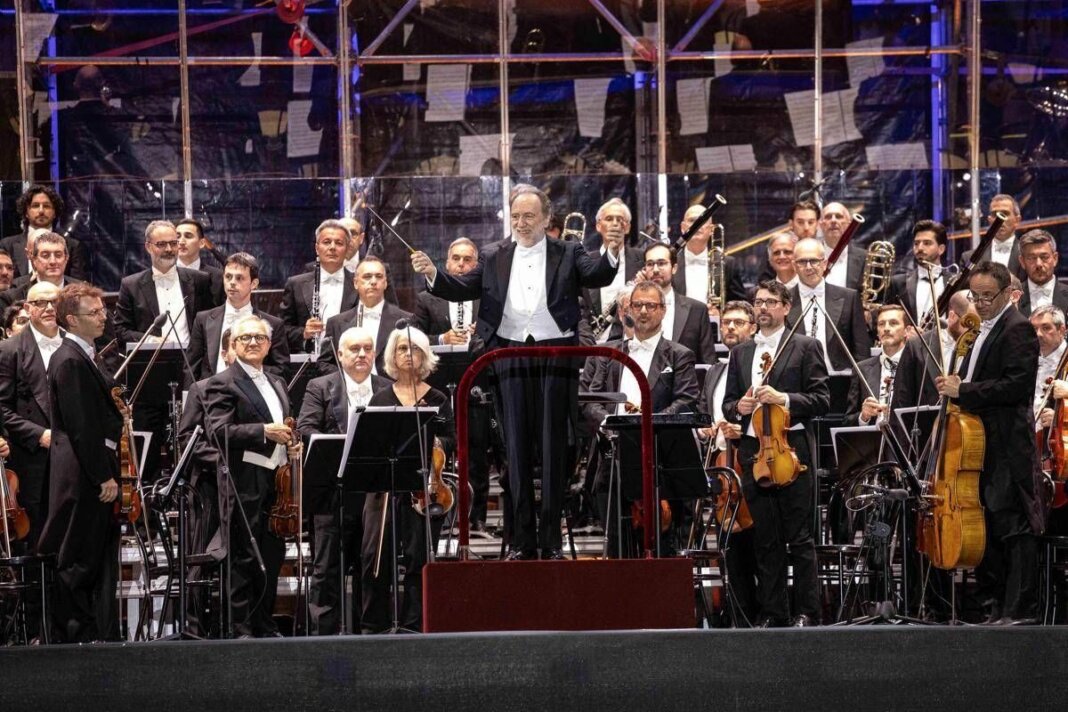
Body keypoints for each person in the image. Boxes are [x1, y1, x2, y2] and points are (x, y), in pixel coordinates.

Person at [410, 183, 622, 561]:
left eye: (529, 216)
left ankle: (551, 543)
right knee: (515, 450)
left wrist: (613, 248)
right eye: (516, 216)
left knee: (554, 449)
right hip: (508, 354)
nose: (521, 223)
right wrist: (433, 274)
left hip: (555, 356)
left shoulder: (569, 250)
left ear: (545, 218)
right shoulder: (493, 253)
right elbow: (462, 287)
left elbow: (598, 275)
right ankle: (522, 541)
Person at [935, 261, 1042, 624]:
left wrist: (963, 390)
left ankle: (1020, 609)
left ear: (1007, 293)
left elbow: (1016, 386)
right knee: (989, 526)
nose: (979, 303)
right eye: (975, 296)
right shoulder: (979, 329)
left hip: (1007, 445)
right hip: (980, 443)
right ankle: (995, 607)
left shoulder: (1018, 328)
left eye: (987, 296)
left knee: (1013, 525)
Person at [722, 280, 830, 627]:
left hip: (792, 451)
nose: (763, 308)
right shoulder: (741, 352)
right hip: (754, 453)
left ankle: (807, 612)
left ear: (786, 307)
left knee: (799, 539)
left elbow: (822, 400)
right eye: (758, 302)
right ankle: (773, 612)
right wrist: (738, 407)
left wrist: (783, 398)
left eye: (770, 302)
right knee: (765, 540)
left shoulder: (806, 346)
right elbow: (728, 403)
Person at [582, 280, 700, 557]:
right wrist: (609, 423)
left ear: (663, 310)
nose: (644, 311)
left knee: (662, 544)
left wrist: (648, 424)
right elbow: (591, 399)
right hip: (613, 455)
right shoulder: (609, 353)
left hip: (659, 457)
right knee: (617, 544)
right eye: (638, 305)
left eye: (650, 305)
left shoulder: (680, 355)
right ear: (628, 311)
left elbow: (685, 400)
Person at [205, 314, 300, 638]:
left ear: (270, 345)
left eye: (259, 337)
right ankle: (240, 628)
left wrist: (292, 443)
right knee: (243, 556)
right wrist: (263, 431)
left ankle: (264, 623)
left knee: (272, 555)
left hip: (277, 482)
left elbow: (285, 426)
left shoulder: (277, 381)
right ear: (233, 344)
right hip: (244, 481)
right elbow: (218, 432)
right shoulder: (223, 382)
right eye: (245, 338)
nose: (253, 342)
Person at [37, 283, 122, 643]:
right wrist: (103, 476)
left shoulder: (85, 355)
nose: (103, 317)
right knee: (78, 557)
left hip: (89, 471)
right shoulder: (70, 359)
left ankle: (92, 634)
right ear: (71, 319)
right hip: (84, 475)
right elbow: (81, 425)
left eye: (103, 310)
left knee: (92, 556)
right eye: (95, 312)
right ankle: (73, 639)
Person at [297, 326, 391, 635]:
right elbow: (306, 428)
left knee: (373, 570)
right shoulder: (320, 386)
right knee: (326, 570)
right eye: (354, 349)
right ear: (339, 354)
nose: (362, 354)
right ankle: (324, 638)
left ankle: (372, 635)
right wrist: (346, 445)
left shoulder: (388, 387)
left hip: (374, 495)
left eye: (367, 348)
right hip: (332, 493)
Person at [363, 326, 452, 632]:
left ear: (425, 356)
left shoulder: (438, 398)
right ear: (392, 355)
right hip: (386, 488)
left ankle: (415, 625)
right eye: (402, 348)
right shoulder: (380, 398)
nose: (408, 354)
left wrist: (435, 441)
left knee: (419, 557)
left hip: (425, 486)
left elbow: (451, 438)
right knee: (376, 558)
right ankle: (374, 625)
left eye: (415, 349)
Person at [113, 219, 215, 484]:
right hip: (151, 372)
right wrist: (151, 339)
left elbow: (209, 323)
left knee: (191, 439)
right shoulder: (131, 284)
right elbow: (121, 330)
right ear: (148, 246)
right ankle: (149, 493)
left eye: (173, 243)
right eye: (162, 244)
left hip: (191, 369)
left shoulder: (200, 280)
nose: (170, 249)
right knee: (150, 442)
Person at [411, 237, 494, 531]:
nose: (461, 265)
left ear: (477, 265)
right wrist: (442, 339)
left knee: (477, 453)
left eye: (468, 260)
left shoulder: (488, 298)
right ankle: (442, 514)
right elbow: (415, 337)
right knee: (440, 450)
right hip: (439, 388)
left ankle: (476, 519)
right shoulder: (427, 298)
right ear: (446, 263)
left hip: (478, 387)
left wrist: (479, 335)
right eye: (456, 259)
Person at [698, 299, 760, 623]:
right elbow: (703, 411)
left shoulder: (760, 364)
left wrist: (744, 429)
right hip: (722, 467)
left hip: (753, 462)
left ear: (753, 328)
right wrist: (705, 429)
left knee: (756, 544)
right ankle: (734, 613)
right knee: (729, 546)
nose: (730, 327)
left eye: (738, 322)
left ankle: (761, 614)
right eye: (725, 322)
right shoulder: (715, 370)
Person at [0, 282, 64, 552]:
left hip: (72, 456)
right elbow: (1, 408)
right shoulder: (9, 349)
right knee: (38, 538)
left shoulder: (76, 344)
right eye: (40, 303)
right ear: (28, 307)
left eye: (54, 302)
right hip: (32, 457)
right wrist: (39, 434)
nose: (49, 308)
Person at [186, 252, 289, 383]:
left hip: (253, 393)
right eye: (228, 277)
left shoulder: (273, 324)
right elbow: (191, 367)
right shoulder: (203, 319)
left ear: (254, 283)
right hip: (211, 393)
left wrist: (249, 367)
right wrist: (189, 394)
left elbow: (282, 370)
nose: (232, 283)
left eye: (239, 278)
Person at [788, 237, 871, 373]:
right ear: (794, 266)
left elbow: (861, 349)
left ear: (824, 263)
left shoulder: (849, 297)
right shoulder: (784, 300)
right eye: (802, 262)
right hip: (798, 380)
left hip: (841, 378)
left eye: (814, 261)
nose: (808, 267)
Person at [322, 256, 413, 374]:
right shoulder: (335, 323)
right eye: (367, 276)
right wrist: (348, 379)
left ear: (385, 283)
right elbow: (325, 363)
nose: (373, 281)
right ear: (355, 283)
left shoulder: (406, 321)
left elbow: (415, 361)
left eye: (379, 276)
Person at [279, 219, 359, 354]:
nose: (332, 247)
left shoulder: (359, 284)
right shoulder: (295, 284)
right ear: (317, 248)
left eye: (339, 243)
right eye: (326, 242)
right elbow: (281, 330)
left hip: (350, 358)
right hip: (309, 360)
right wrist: (304, 333)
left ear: (347, 249)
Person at [639, 243, 718, 364]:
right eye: (650, 264)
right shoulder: (631, 307)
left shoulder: (697, 310)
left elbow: (708, 361)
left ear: (674, 268)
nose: (655, 269)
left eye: (661, 263)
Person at [582, 199, 645, 343]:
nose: (615, 224)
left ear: (627, 227)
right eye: (609, 219)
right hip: (593, 344)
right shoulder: (584, 261)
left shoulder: (643, 260)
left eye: (620, 219)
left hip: (633, 342)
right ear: (598, 226)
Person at [0, 185, 89, 281]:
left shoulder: (73, 246)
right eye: (35, 206)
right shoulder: (7, 245)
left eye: (46, 206)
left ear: (55, 212)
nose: (41, 211)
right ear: (26, 212)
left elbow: (76, 285)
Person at [672, 204, 748, 315]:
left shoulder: (727, 264)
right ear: (682, 227)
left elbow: (740, 304)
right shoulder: (670, 262)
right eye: (692, 220)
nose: (697, 225)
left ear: (712, 229)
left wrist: (721, 314)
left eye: (702, 221)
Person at [846, 305, 908, 426]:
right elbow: (847, 421)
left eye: (893, 323)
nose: (886, 328)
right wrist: (863, 416)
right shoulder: (861, 369)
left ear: (906, 330)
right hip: (873, 436)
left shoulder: (919, 365)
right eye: (881, 324)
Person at [886, 220, 949, 325]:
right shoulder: (897, 283)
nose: (919, 248)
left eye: (927, 243)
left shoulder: (955, 281)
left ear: (941, 249)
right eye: (916, 243)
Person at [960, 194, 1026, 281]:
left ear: (1017, 220)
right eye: (995, 214)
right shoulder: (968, 258)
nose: (1000, 219)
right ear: (989, 220)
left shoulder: (1028, 255)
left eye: (1005, 214)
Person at [1015, 229, 1068, 317]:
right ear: (1022, 262)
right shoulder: (1011, 298)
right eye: (1031, 258)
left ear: (1055, 258)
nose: (1038, 264)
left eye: (1044, 257)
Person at [175, 218, 225, 306]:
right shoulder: (164, 275)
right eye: (177, 237)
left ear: (202, 243)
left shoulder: (218, 277)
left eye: (188, 236)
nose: (181, 242)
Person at [818, 201, 865, 292]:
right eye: (828, 217)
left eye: (839, 216)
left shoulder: (864, 258)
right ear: (821, 224)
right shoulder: (810, 256)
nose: (833, 220)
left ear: (848, 223)